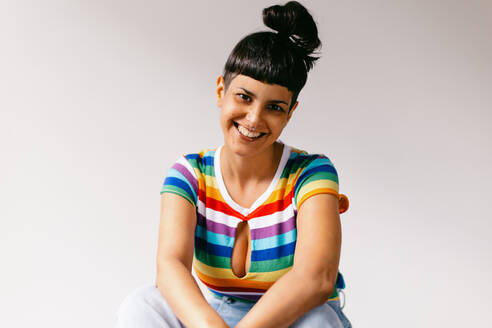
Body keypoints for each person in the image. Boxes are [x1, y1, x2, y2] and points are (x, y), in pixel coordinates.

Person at [115, 1, 352, 327]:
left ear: (290, 112)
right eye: (244, 97)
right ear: (221, 91)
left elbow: (317, 278)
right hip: (217, 316)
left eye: (274, 107)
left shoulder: (310, 174)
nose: (254, 119)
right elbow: (170, 266)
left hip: (294, 317)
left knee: (319, 322)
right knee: (141, 304)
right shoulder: (190, 174)